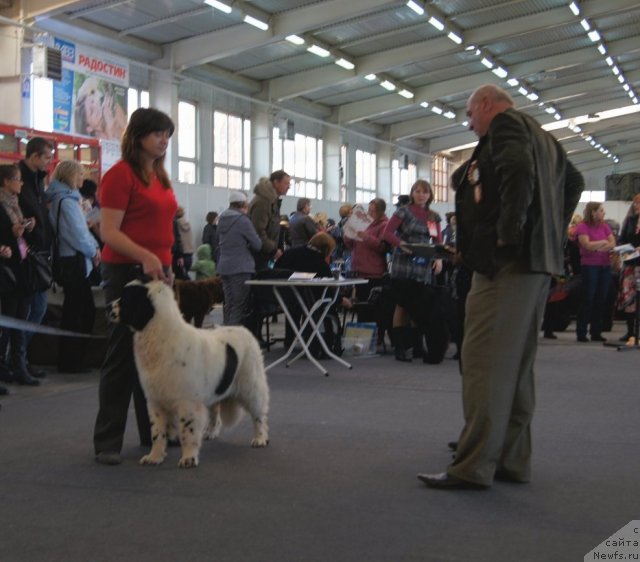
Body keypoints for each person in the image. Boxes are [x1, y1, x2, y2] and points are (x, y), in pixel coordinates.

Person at [418, 84, 583, 490]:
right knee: (517, 367)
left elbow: (519, 174)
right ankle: (511, 458)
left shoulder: (507, 126)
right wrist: (550, 233)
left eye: (470, 115)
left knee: (484, 365)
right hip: (537, 266)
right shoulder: (544, 136)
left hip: (508, 266)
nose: (470, 124)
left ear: (487, 105)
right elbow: (574, 183)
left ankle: (473, 465)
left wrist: (506, 237)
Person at [93, 107, 178, 466]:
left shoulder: (159, 176)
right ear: (139, 135)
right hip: (125, 270)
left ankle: (154, 433)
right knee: (122, 355)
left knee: (156, 356)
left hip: (158, 270)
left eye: (168, 136)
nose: (163, 141)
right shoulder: (120, 175)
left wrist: (168, 263)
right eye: (158, 133)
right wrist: (145, 256)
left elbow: (164, 227)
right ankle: (108, 441)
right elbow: (107, 231)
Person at [45, 160, 101, 373]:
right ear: (69, 175)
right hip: (74, 262)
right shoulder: (67, 202)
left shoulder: (64, 200)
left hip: (73, 260)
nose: (82, 178)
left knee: (75, 310)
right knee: (79, 313)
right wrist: (94, 250)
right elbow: (77, 234)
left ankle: (71, 359)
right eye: (79, 174)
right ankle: (72, 361)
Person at [383, 179, 442, 362]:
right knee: (402, 304)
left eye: (424, 192)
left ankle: (418, 346)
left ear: (430, 195)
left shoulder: (432, 217)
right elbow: (387, 233)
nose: (421, 195)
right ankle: (400, 347)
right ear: (412, 193)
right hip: (403, 261)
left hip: (423, 263)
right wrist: (402, 244)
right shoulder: (403, 212)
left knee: (421, 305)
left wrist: (439, 258)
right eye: (417, 191)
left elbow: (437, 240)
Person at [0, 164, 40, 386]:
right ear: (6, 181)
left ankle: (19, 365)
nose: (21, 183)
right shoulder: (1, 205)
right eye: (17, 179)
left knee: (21, 318)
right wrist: (10, 234)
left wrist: (28, 227)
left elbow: (21, 237)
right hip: (8, 269)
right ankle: (6, 367)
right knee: (9, 320)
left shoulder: (15, 203)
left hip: (22, 265)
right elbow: (4, 233)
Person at [18, 137, 54, 380]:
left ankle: (20, 358)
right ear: (34, 156)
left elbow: (40, 215)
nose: (49, 162)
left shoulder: (38, 182)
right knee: (29, 310)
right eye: (47, 157)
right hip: (26, 256)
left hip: (40, 253)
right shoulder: (21, 183)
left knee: (37, 309)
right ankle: (15, 358)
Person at [215, 190, 262, 326]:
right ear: (243, 205)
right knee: (239, 305)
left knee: (228, 304)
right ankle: (232, 341)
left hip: (224, 266)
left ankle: (224, 337)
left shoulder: (221, 219)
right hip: (240, 267)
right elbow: (257, 244)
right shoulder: (242, 220)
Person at [574, 202, 615, 343]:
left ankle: (596, 331)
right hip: (590, 266)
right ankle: (581, 331)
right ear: (593, 212)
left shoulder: (604, 226)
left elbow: (613, 243)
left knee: (601, 299)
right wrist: (603, 242)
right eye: (601, 210)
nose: (604, 213)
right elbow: (586, 245)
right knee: (588, 298)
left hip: (605, 266)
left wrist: (596, 246)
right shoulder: (582, 227)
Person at [344, 197, 389, 302]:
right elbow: (350, 245)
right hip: (358, 271)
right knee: (360, 304)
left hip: (374, 272)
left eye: (373, 211)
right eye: (369, 210)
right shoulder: (363, 223)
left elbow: (382, 247)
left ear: (381, 212)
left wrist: (366, 237)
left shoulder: (385, 225)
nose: (370, 213)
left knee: (371, 307)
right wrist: (348, 235)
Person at [249, 171, 291, 270]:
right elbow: (258, 231)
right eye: (286, 183)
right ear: (276, 183)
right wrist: (273, 250)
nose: (288, 186)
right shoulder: (263, 202)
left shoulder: (272, 201)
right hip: (258, 255)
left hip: (264, 254)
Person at [616, 194, 640, 341]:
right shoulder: (630, 221)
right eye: (635, 203)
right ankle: (630, 331)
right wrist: (623, 249)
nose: (636, 206)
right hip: (630, 264)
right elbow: (621, 239)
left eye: (639, 203)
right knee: (629, 299)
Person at [172, 207, 194, 280]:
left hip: (180, 254)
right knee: (184, 276)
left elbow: (177, 240)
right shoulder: (188, 223)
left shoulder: (175, 224)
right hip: (190, 254)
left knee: (178, 279)